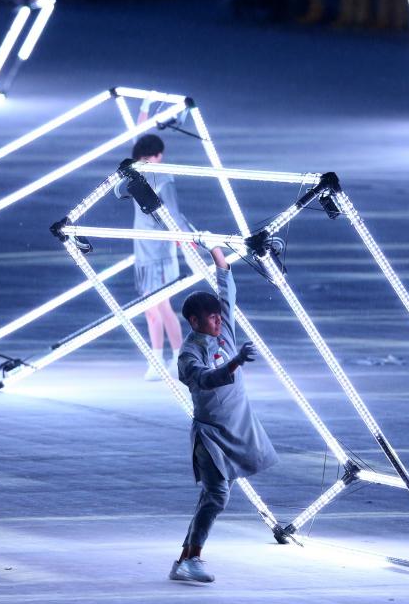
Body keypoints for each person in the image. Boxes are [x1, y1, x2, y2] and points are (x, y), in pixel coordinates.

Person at [170, 245, 279, 583]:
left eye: (220, 316)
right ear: (194, 321)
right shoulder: (189, 354)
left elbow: (226, 291)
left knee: (212, 496)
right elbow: (205, 379)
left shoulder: (224, 330)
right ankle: (193, 557)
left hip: (238, 429)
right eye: (213, 318)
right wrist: (234, 363)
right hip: (212, 438)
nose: (219, 321)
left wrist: (216, 252)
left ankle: (185, 559)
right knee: (217, 496)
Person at [115, 134, 192, 381]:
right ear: (157, 154)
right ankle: (157, 359)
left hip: (159, 250)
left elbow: (174, 213)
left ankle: (179, 359)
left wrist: (183, 237)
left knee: (162, 306)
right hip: (143, 249)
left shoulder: (162, 177)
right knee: (151, 308)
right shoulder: (137, 175)